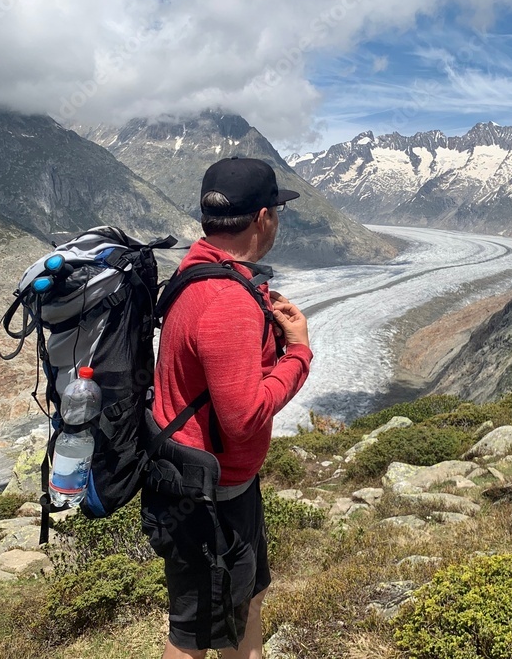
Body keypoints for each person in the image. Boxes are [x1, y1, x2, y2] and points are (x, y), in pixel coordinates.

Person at [142, 156, 313, 659]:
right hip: (209, 493)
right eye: (278, 211)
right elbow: (243, 418)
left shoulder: (199, 271)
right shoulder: (227, 300)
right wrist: (299, 353)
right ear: (263, 217)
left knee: (246, 600)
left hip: (216, 481)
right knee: (193, 634)